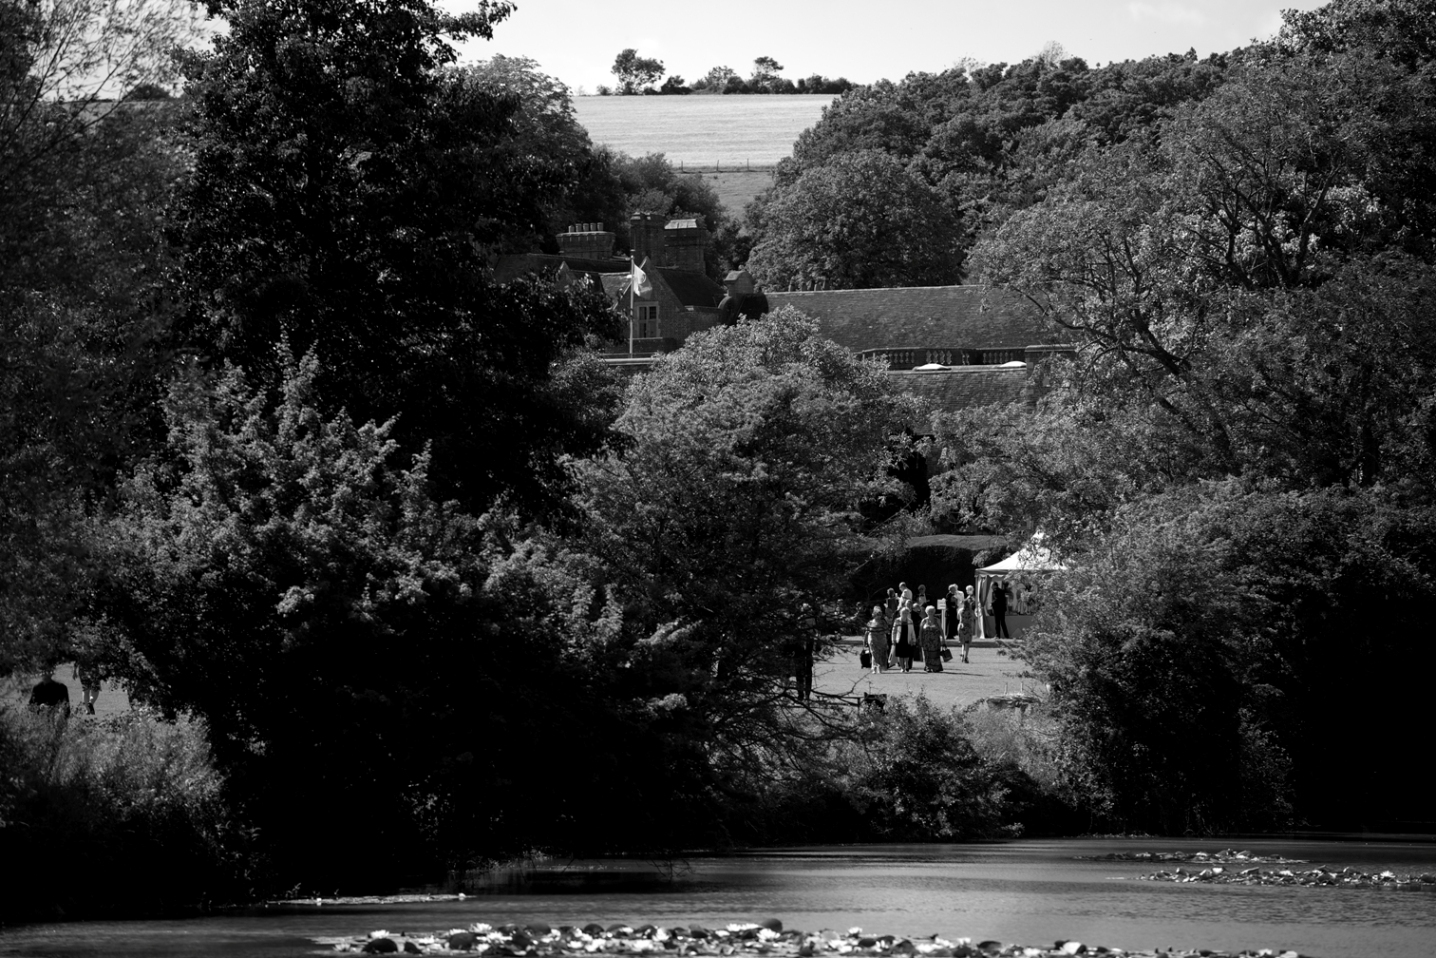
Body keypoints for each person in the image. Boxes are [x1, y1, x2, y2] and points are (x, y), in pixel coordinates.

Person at [793, 603, 818, 701]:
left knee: (805, 673)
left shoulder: (805, 619)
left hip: (805, 654)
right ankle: (803, 694)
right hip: (802, 653)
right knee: (804, 673)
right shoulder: (804, 619)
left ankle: (804, 694)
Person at [891, 596, 916, 672]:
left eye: (906, 612)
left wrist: (913, 639)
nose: (905, 614)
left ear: (908, 613)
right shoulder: (897, 620)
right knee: (900, 654)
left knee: (907, 654)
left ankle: (907, 665)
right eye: (903, 613)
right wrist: (893, 639)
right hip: (899, 639)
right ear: (900, 613)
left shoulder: (910, 621)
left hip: (907, 639)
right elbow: (893, 630)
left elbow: (912, 631)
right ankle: (902, 667)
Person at [864, 605, 890, 674]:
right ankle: (874, 668)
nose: (878, 616)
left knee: (881, 654)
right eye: (877, 614)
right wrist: (865, 641)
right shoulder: (870, 623)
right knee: (874, 654)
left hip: (882, 641)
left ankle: (879, 667)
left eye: (880, 614)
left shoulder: (883, 622)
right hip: (873, 641)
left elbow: (887, 631)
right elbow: (866, 632)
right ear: (874, 614)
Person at [919, 605, 945, 672]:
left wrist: (943, 639)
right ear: (926, 612)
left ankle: (936, 667)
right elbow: (921, 631)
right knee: (927, 654)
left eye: (932, 611)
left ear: (934, 612)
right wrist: (920, 640)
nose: (930, 612)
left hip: (935, 641)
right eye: (929, 611)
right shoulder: (924, 621)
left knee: (935, 654)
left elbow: (941, 630)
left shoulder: (937, 620)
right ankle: (928, 667)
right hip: (926, 641)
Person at [957, 590, 975, 663]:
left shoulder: (960, 610)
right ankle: (966, 656)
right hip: (968, 627)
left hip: (961, 626)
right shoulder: (971, 611)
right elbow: (974, 618)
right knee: (967, 643)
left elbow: (958, 618)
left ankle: (962, 654)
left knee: (963, 642)